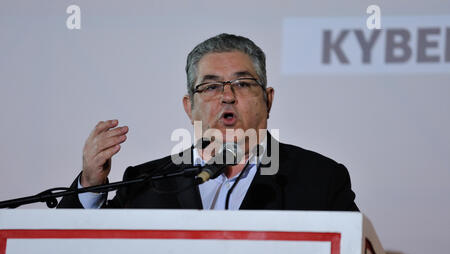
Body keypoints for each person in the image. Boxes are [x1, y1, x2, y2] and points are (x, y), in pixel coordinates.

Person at [57, 33, 358, 211]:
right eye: (211, 86)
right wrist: (91, 186)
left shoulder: (321, 179)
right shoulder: (146, 183)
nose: (227, 96)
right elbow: (73, 253)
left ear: (268, 100)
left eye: (242, 83)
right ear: (190, 107)